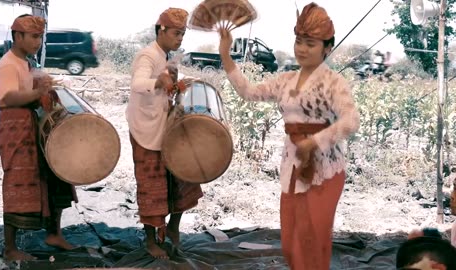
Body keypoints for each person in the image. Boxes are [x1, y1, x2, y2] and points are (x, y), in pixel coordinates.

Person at [218, 3, 360, 269]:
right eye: (299, 41)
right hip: (292, 166)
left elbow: (351, 121)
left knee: (314, 239)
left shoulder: (333, 83)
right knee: (291, 242)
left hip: (325, 169)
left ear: (327, 47)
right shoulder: (285, 80)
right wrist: (226, 56)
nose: (302, 49)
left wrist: (314, 142)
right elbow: (249, 92)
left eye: (310, 43)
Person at [0, 14, 77, 261]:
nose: (38, 41)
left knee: (55, 175)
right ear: (17, 36)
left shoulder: (25, 63)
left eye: (40, 37)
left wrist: (43, 86)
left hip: (30, 126)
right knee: (18, 182)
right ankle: (10, 248)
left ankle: (54, 234)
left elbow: (29, 90)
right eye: (33, 36)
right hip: (15, 128)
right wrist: (37, 91)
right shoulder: (9, 64)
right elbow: (7, 98)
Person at [126, 7, 203, 259]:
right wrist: (159, 83)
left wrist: (177, 87)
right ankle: (150, 241)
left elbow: (165, 91)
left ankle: (173, 228)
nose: (180, 38)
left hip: (164, 125)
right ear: (161, 30)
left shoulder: (167, 56)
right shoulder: (147, 56)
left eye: (183, 34)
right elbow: (138, 84)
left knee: (184, 173)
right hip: (146, 130)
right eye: (176, 33)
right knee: (151, 186)